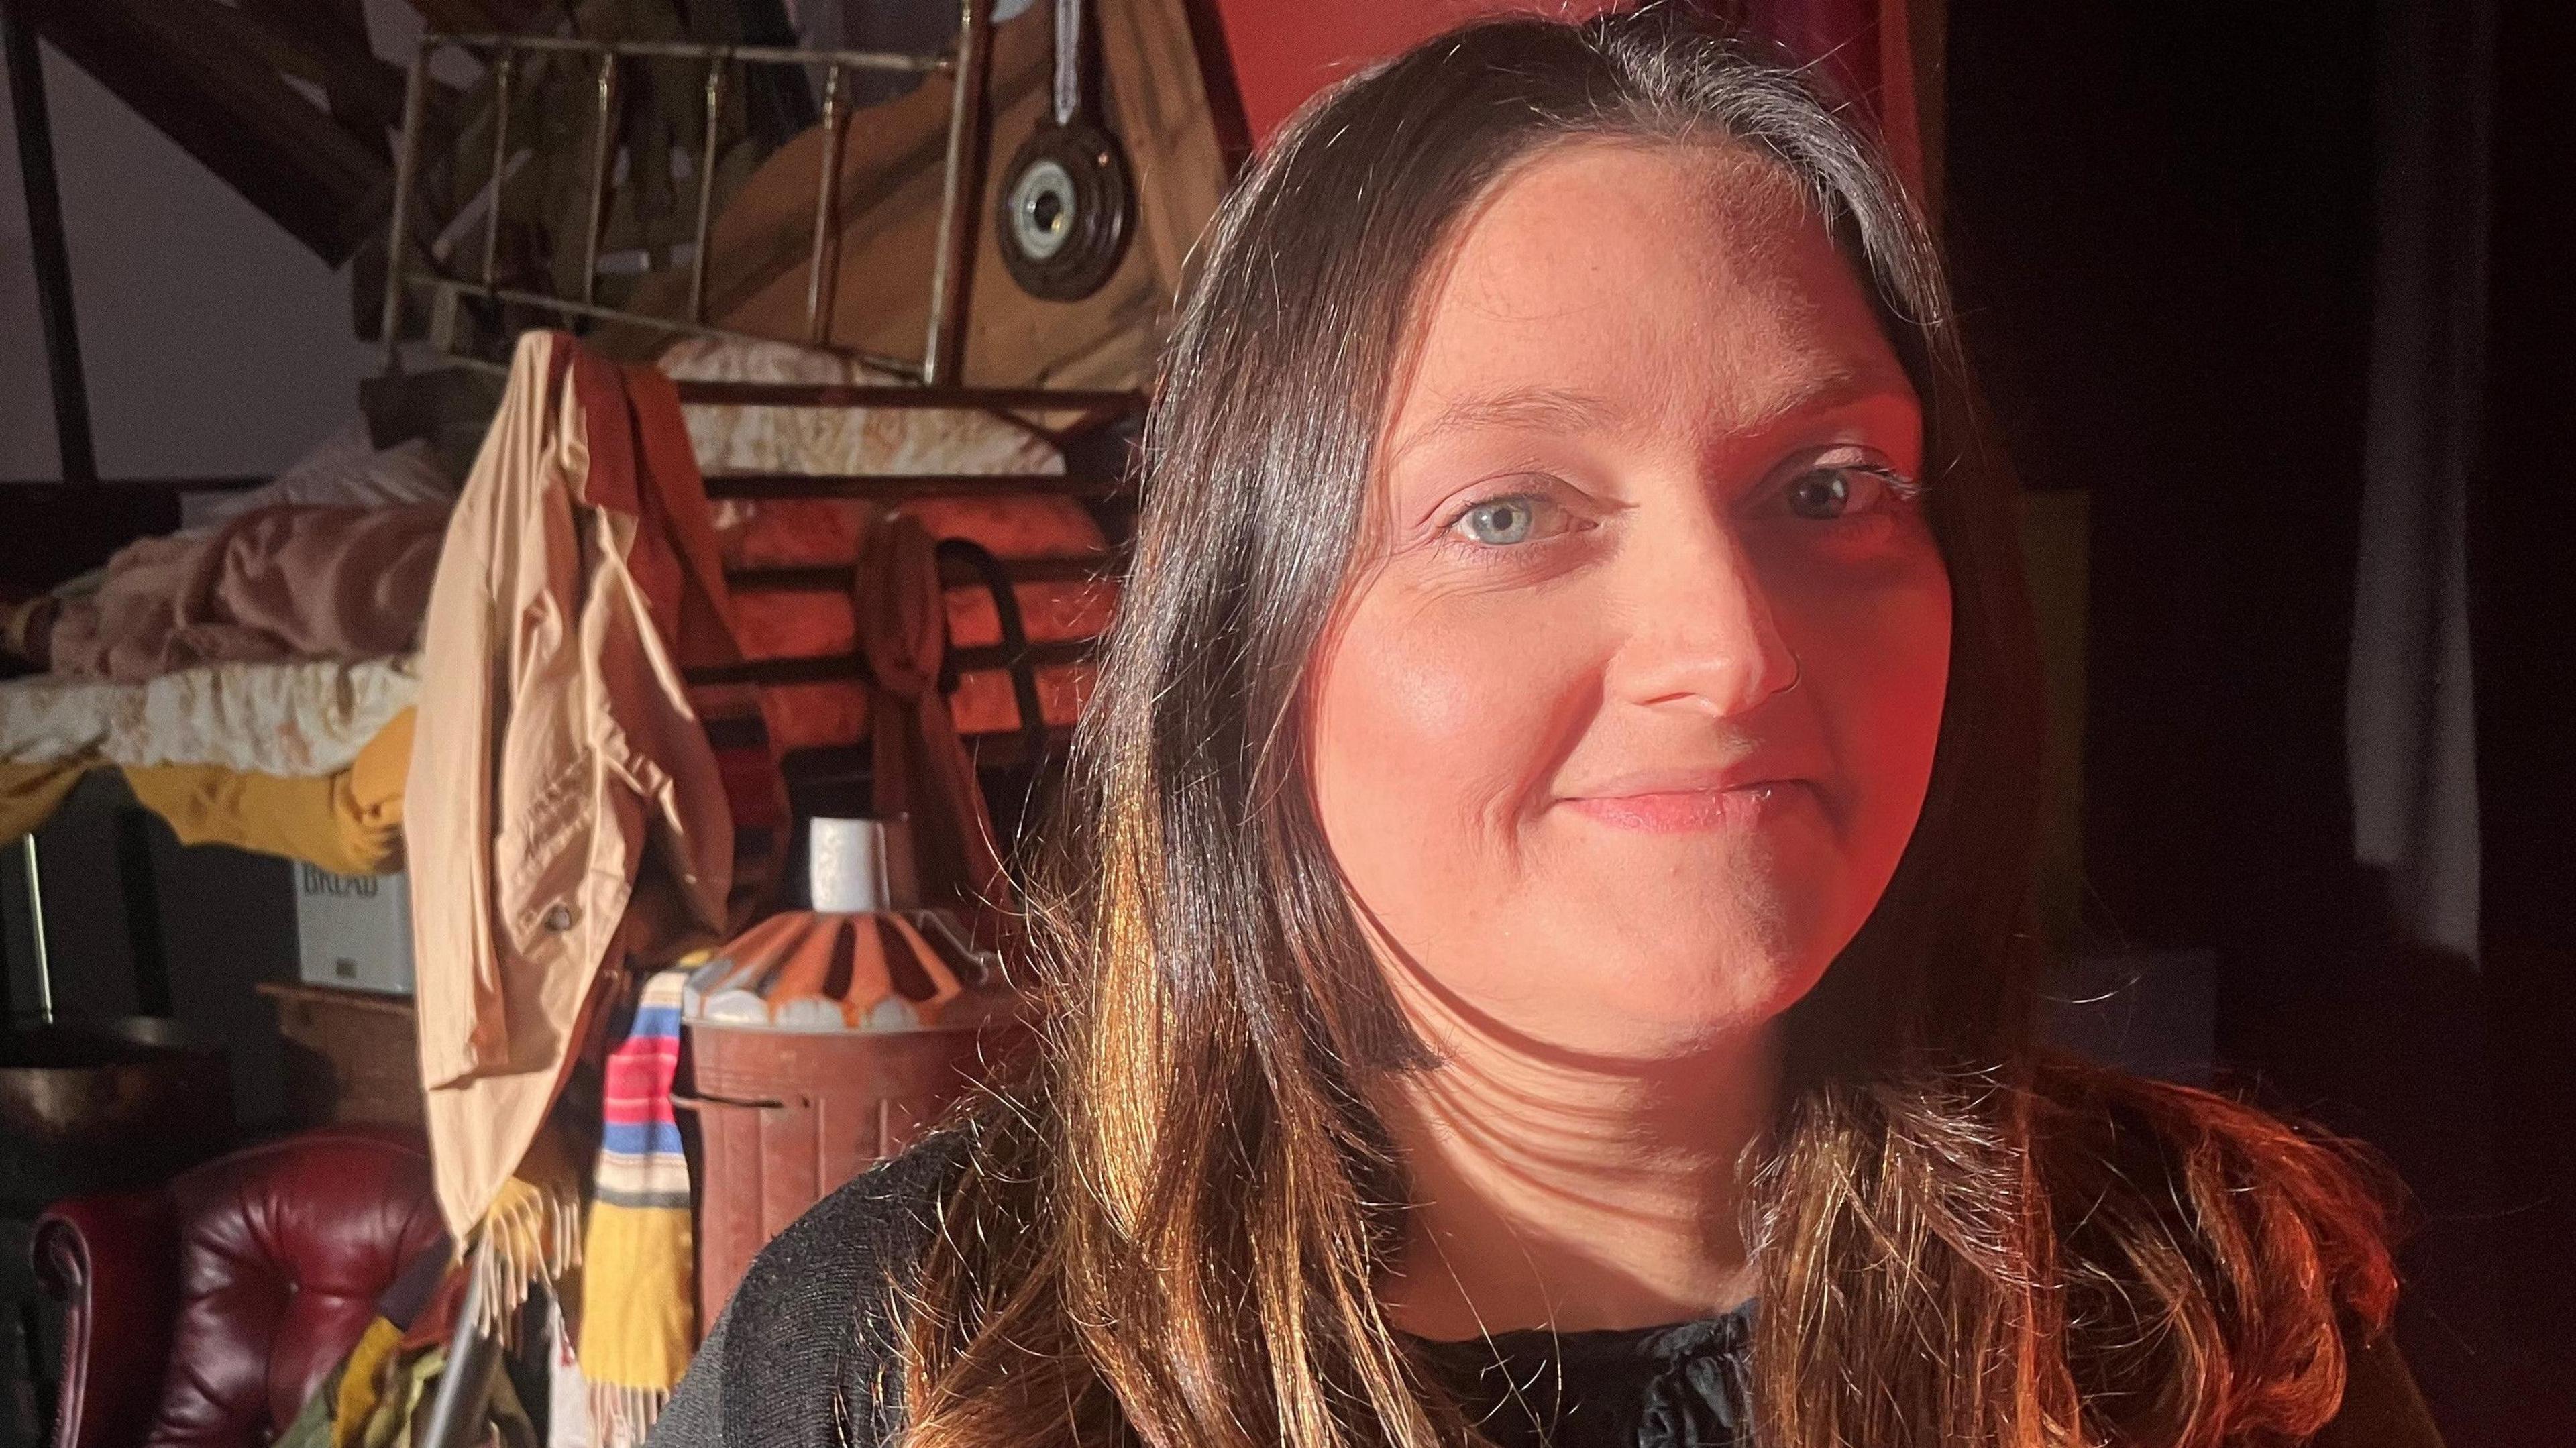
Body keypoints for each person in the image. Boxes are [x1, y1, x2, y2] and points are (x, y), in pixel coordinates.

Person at [649, 9, 2443, 1447]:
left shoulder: (2200, 1321)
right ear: (1253, 659)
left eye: (1829, 488)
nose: (1728, 653)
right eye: (1505, 511)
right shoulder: (901, 1366)